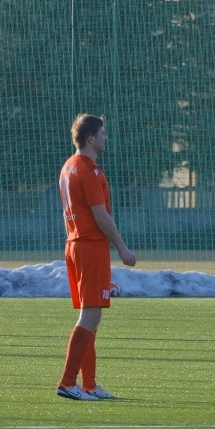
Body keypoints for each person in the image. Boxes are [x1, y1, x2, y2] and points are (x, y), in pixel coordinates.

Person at [57, 113, 137, 400]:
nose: (106, 137)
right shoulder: (88, 170)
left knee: (91, 316)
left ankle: (89, 384)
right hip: (89, 246)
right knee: (89, 316)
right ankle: (68, 382)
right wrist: (122, 247)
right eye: (102, 133)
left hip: (75, 245)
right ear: (90, 138)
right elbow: (100, 216)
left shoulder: (68, 166)